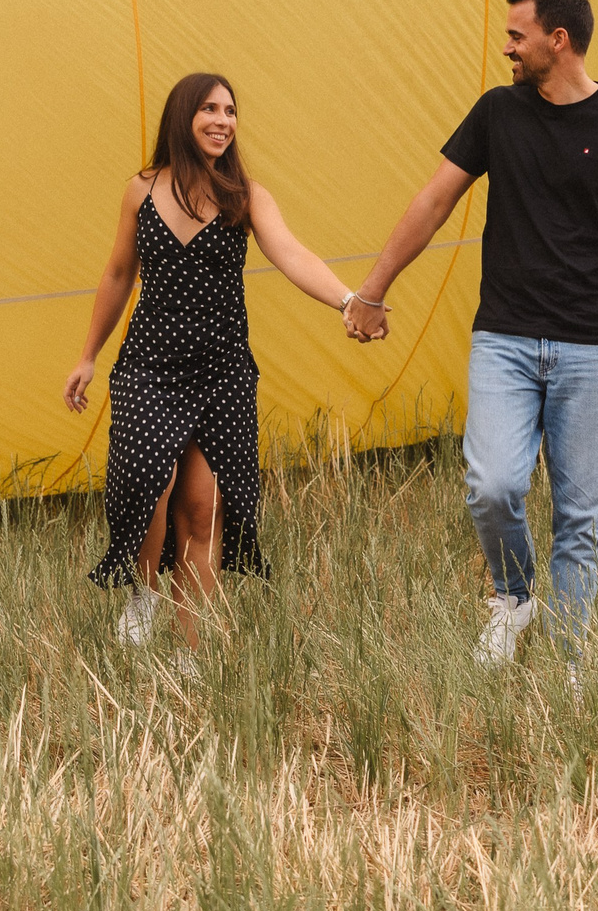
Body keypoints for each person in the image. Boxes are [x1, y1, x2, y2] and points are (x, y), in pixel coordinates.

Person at [346, 0, 598, 666]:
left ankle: (570, 662)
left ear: (558, 39)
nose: (506, 47)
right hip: (506, 338)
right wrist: (372, 289)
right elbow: (434, 201)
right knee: (492, 483)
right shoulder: (498, 113)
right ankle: (514, 595)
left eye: (517, 35)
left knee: (581, 515)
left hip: (592, 348)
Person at [65, 72, 385, 657]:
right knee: (143, 483)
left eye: (231, 111)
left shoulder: (246, 195)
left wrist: (348, 299)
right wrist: (87, 355)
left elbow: (291, 253)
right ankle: (144, 591)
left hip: (222, 374)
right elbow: (117, 275)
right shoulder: (141, 190)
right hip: (149, 368)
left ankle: (192, 654)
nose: (222, 121)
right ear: (183, 117)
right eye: (209, 109)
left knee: (203, 509)